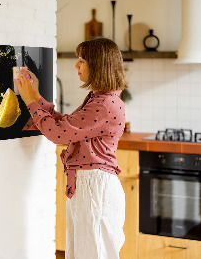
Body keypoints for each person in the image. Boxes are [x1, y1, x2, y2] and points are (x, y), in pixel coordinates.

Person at [15, 37, 127, 259]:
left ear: (98, 65)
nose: (76, 65)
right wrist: (36, 96)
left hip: (95, 188)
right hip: (90, 186)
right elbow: (66, 126)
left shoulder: (104, 104)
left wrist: (30, 101)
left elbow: (58, 134)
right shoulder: (100, 99)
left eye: (82, 60)